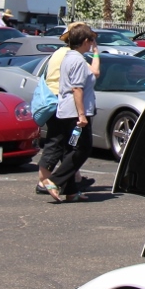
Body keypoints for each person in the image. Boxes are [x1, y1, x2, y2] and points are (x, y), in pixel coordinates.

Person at [39, 24, 100, 203]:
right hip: (76, 115)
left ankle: (71, 191)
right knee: (82, 148)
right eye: (90, 41)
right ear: (85, 41)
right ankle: (54, 180)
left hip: (66, 112)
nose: (91, 45)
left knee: (70, 149)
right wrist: (81, 115)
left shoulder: (69, 57)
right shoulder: (79, 61)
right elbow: (77, 89)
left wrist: (96, 51)